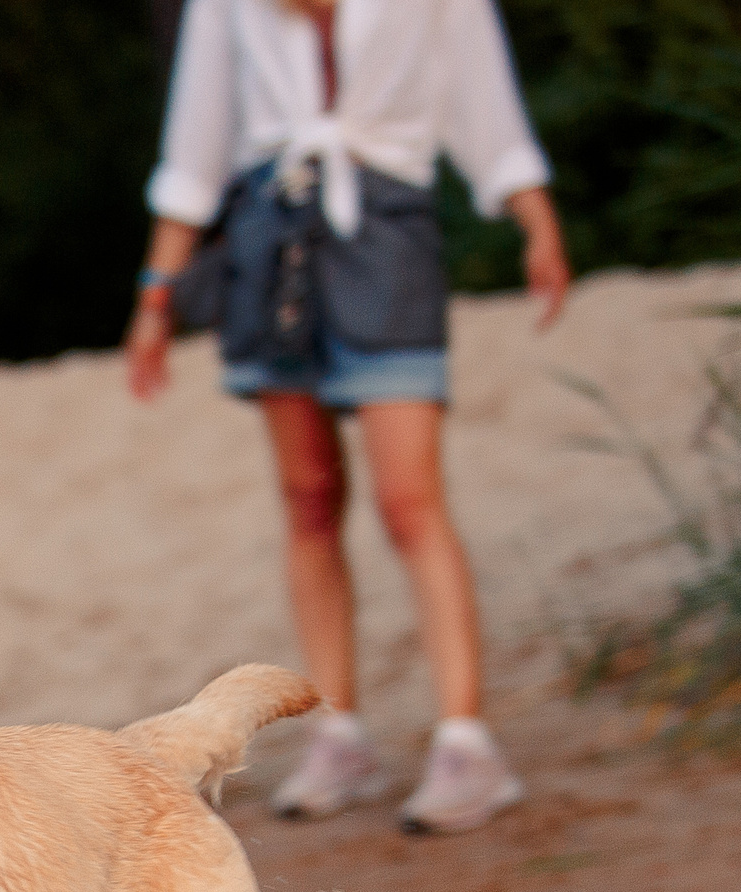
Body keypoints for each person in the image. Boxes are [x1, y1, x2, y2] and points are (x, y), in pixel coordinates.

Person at [125, 0, 570, 832]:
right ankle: (338, 730)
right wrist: (158, 294)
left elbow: (485, 101)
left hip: (388, 235)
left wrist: (533, 215)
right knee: (308, 498)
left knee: (409, 501)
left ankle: (466, 743)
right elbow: (197, 143)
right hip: (274, 241)